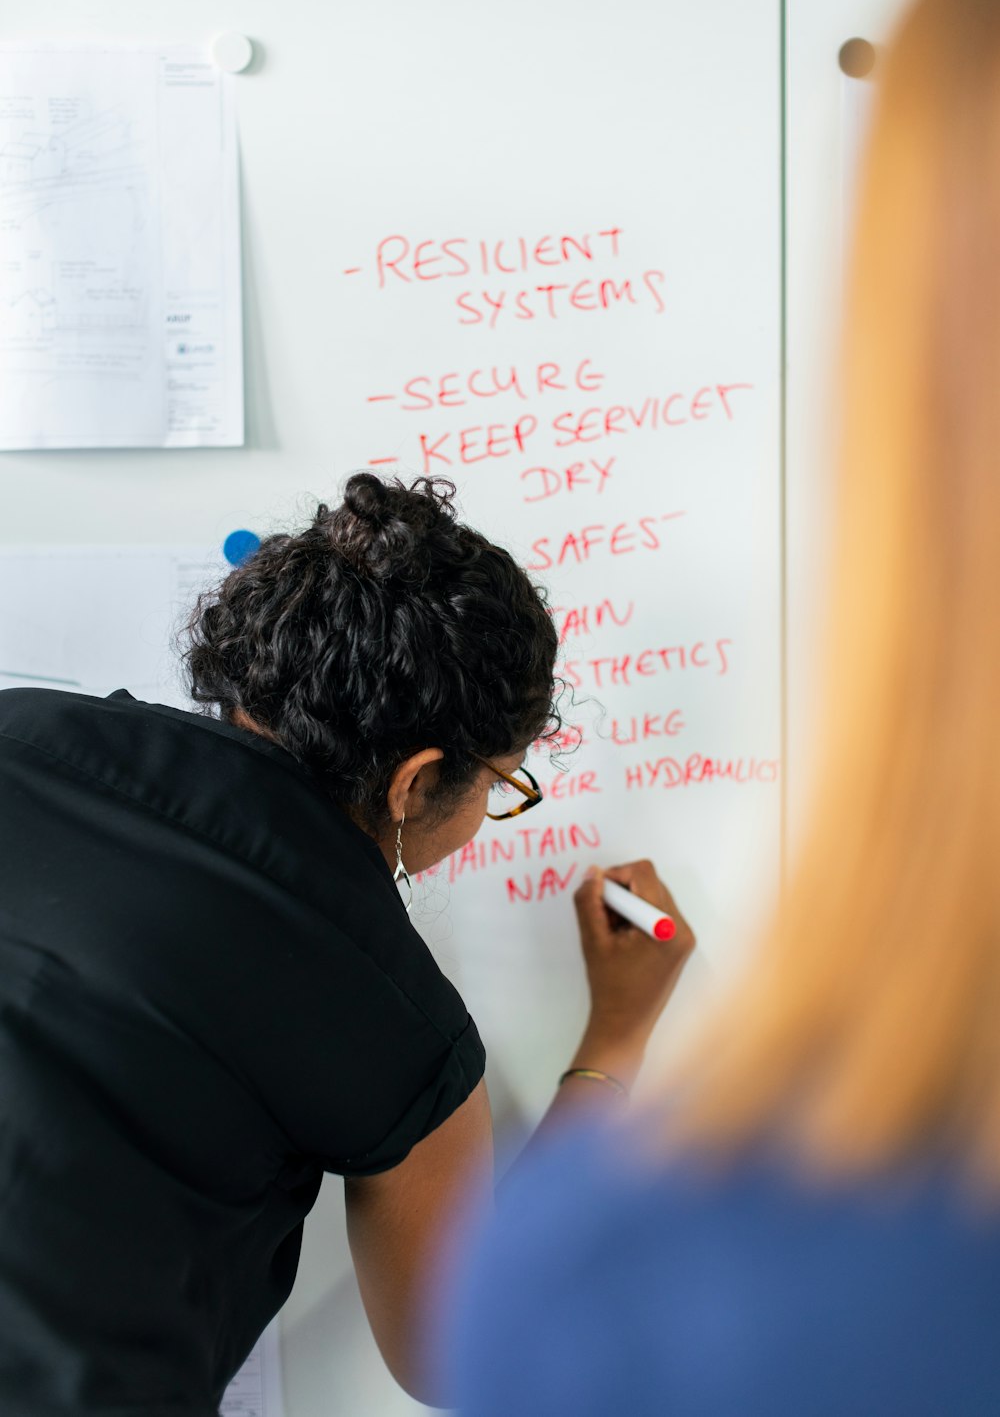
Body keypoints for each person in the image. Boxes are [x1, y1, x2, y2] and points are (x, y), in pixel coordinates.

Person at [445, 0, 1000, 1413]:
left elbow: (464, 1351)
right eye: (505, 787)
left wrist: (621, 1034)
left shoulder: (667, 1282)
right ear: (424, 777)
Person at [0, 471, 692, 1415]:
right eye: (501, 784)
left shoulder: (20, 731)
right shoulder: (388, 1008)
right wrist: (617, 1030)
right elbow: (460, 1352)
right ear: (416, 781)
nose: (493, 811)